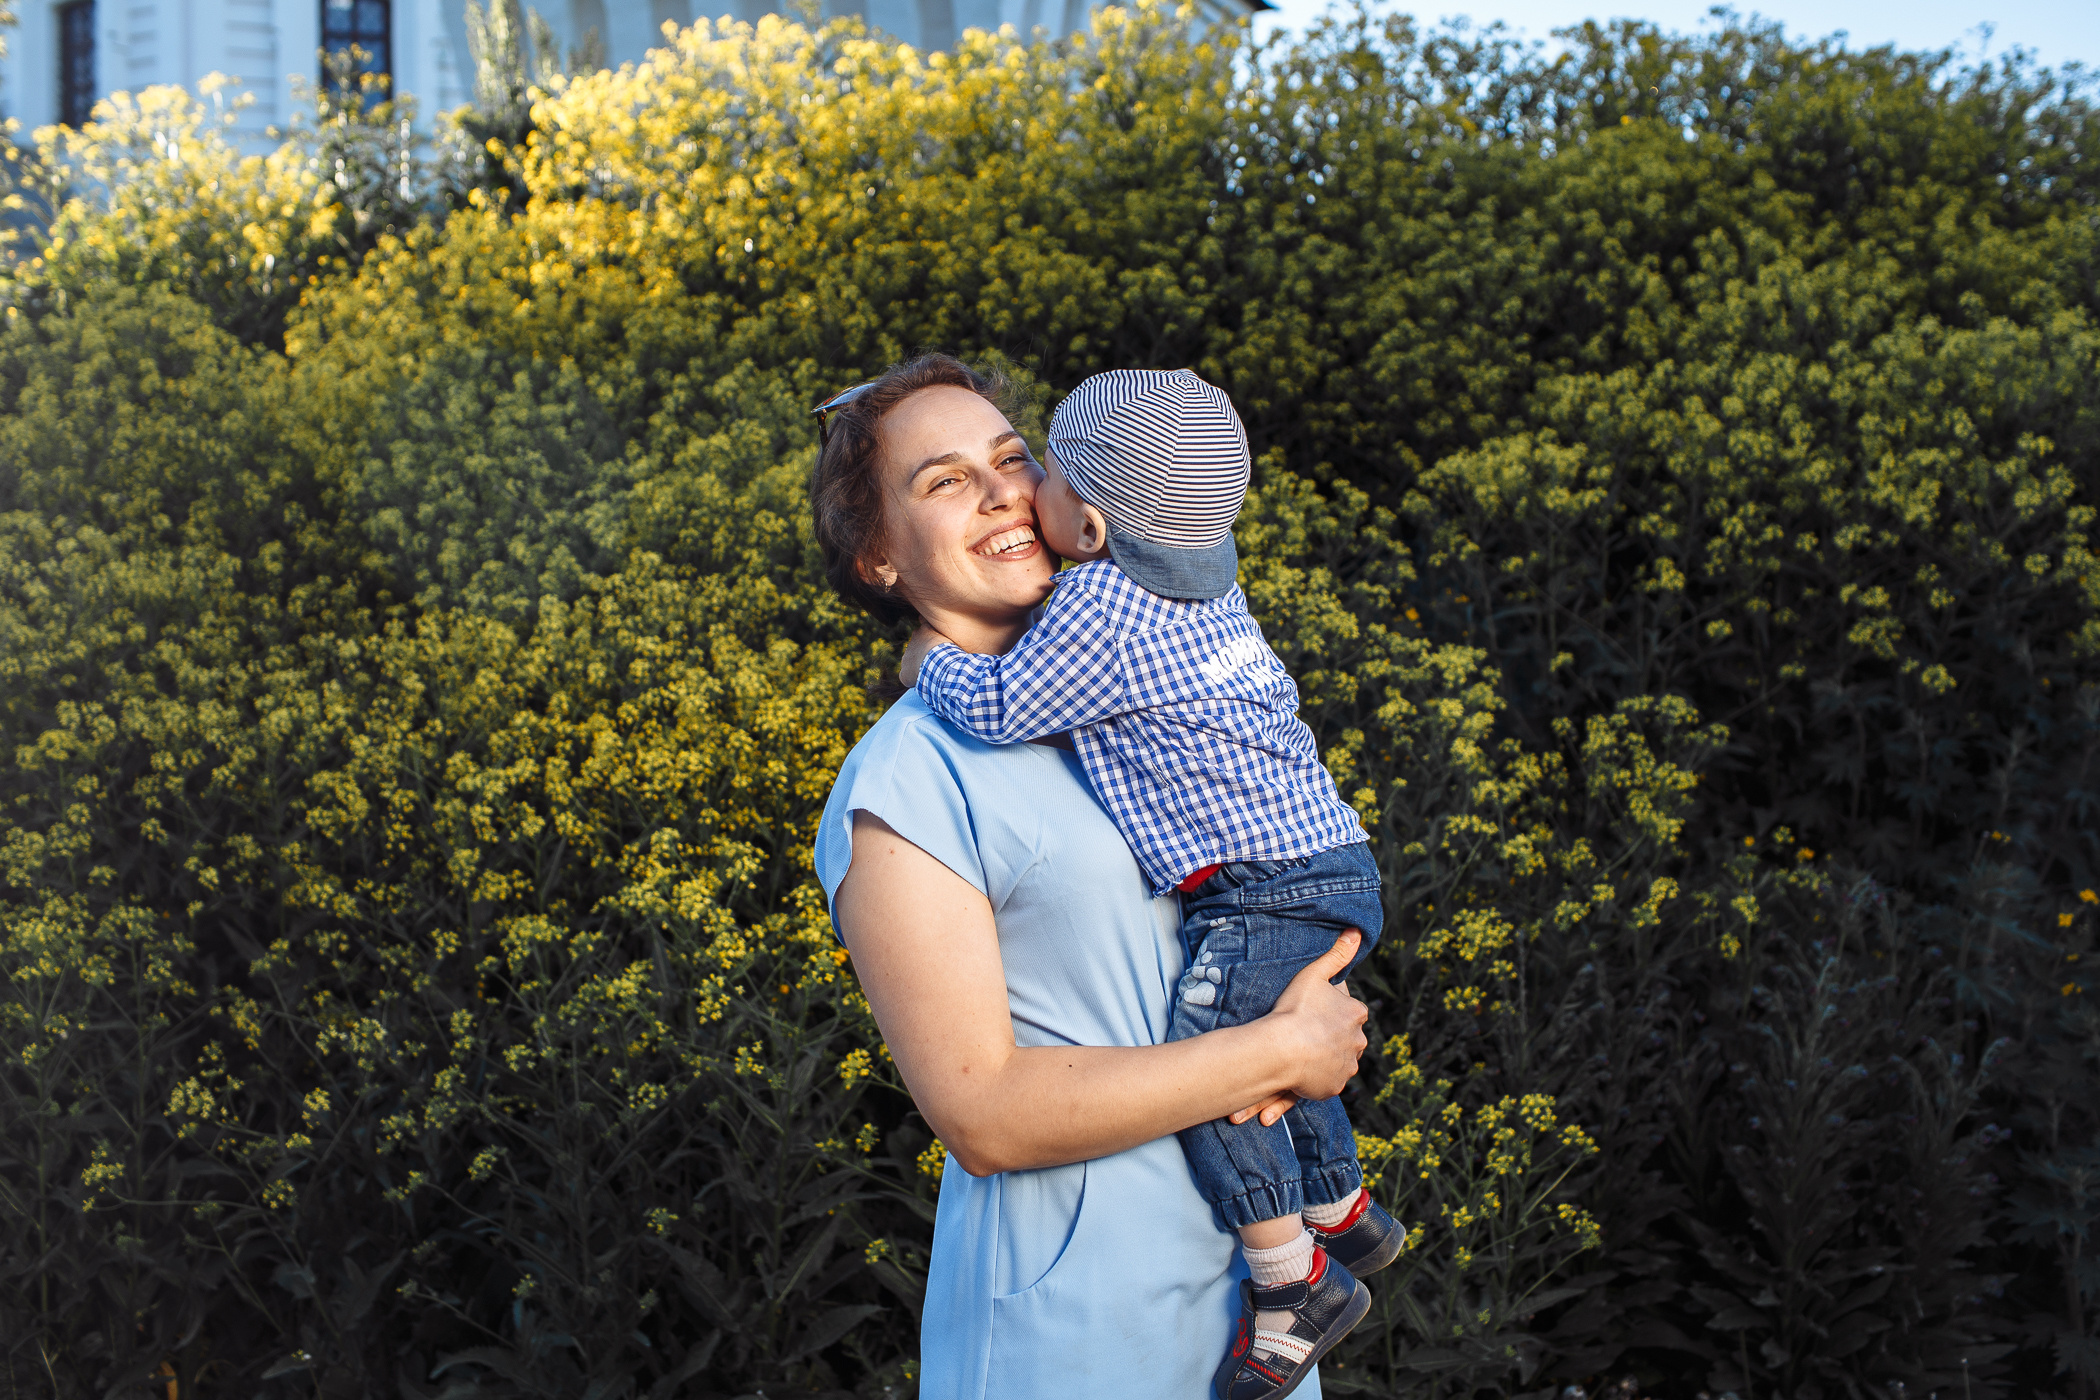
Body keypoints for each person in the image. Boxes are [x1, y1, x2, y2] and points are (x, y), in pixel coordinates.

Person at [810, 354, 1372, 1400]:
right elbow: (983, 1114)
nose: (999, 492)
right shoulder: (905, 780)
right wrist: (1275, 1050)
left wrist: (1310, 1012)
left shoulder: (1140, 698)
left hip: (1246, 1304)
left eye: (1012, 458)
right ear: (878, 556)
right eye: (942, 480)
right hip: (1076, 1333)